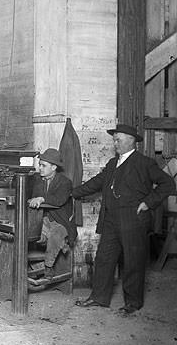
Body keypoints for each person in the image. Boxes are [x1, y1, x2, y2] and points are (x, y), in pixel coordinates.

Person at [72, 124, 175, 315]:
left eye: (118, 139)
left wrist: (147, 203)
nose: (115, 142)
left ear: (131, 141)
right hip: (111, 219)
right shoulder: (113, 163)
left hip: (133, 220)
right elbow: (96, 183)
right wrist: (72, 193)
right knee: (103, 258)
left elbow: (167, 184)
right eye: (114, 139)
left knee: (133, 261)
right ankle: (98, 298)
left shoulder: (145, 163)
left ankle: (132, 303)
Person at [27, 148, 78, 279]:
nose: (40, 168)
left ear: (54, 167)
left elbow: (58, 200)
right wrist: (32, 199)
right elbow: (33, 198)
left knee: (56, 235)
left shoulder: (65, 182)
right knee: (27, 232)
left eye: (44, 166)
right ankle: (27, 266)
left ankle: (48, 267)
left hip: (61, 222)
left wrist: (42, 199)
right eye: (40, 165)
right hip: (44, 220)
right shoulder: (38, 180)